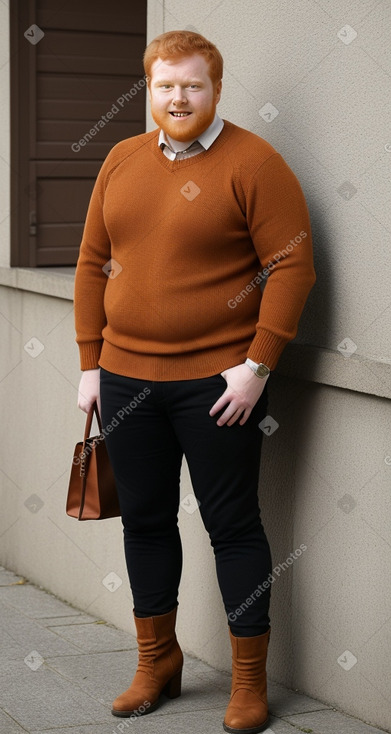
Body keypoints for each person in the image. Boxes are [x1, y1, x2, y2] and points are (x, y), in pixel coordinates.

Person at [74, 30, 316, 734]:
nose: (177, 97)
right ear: (147, 88)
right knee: (145, 522)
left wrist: (255, 366)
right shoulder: (120, 159)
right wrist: (90, 364)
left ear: (215, 89)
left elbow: (292, 267)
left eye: (192, 85)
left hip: (219, 386)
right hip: (124, 380)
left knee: (232, 527)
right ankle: (157, 664)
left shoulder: (254, 162)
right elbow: (92, 263)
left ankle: (247, 683)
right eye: (164, 84)